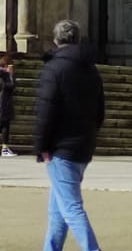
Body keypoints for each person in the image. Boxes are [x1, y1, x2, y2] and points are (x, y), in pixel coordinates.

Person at [32, 19, 105, 251]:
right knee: (58, 208)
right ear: (77, 39)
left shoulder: (53, 68)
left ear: (55, 41)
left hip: (60, 147)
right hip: (83, 145)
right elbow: (100, 110)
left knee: (71, 207)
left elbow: (45, 110)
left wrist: (40, 145)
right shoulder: (91, 69)